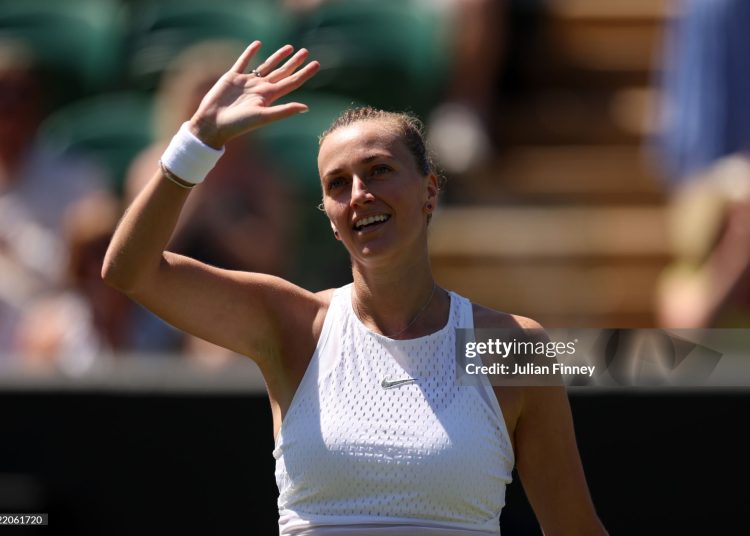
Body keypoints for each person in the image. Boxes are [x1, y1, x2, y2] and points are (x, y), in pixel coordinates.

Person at [102, 42, 607, 535]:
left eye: (379, 170)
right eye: (337, 184)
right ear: (329, 218)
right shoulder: (294, 324)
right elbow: (130, 270)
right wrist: (198, 140)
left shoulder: (516, 347)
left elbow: (574, 526)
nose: (360, 194)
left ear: (430, 192)